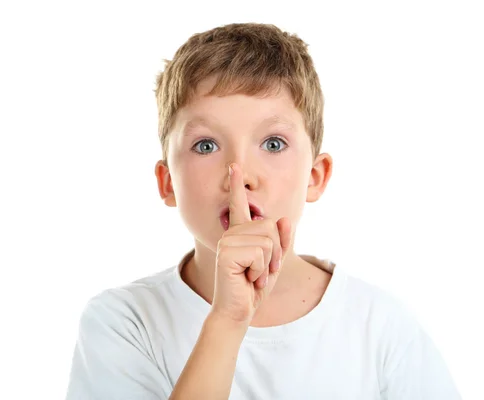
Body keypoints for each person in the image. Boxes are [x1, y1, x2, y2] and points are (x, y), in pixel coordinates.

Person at [65, 22, 461, 399]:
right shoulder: (124, 322)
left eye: (272, 144)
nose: (240, 175)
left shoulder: (380, 327)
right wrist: (227, 320)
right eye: (206, 146)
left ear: (315, 176)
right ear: (168, 182)